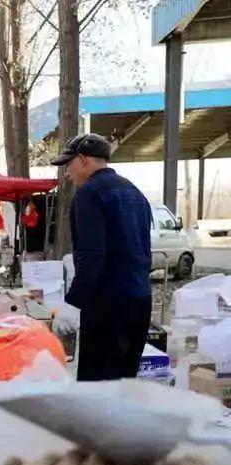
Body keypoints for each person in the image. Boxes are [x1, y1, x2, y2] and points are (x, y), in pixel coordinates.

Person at [51, 133, 152, 381]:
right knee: (125, 382)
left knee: (97, 390)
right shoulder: (135, 192)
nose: (66, 173)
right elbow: (145, 253)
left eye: (68, 164)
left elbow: (91, 257)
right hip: (140, 301)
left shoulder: (89, 194)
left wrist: (73, 302)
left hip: (107, 306)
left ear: (83, 159)